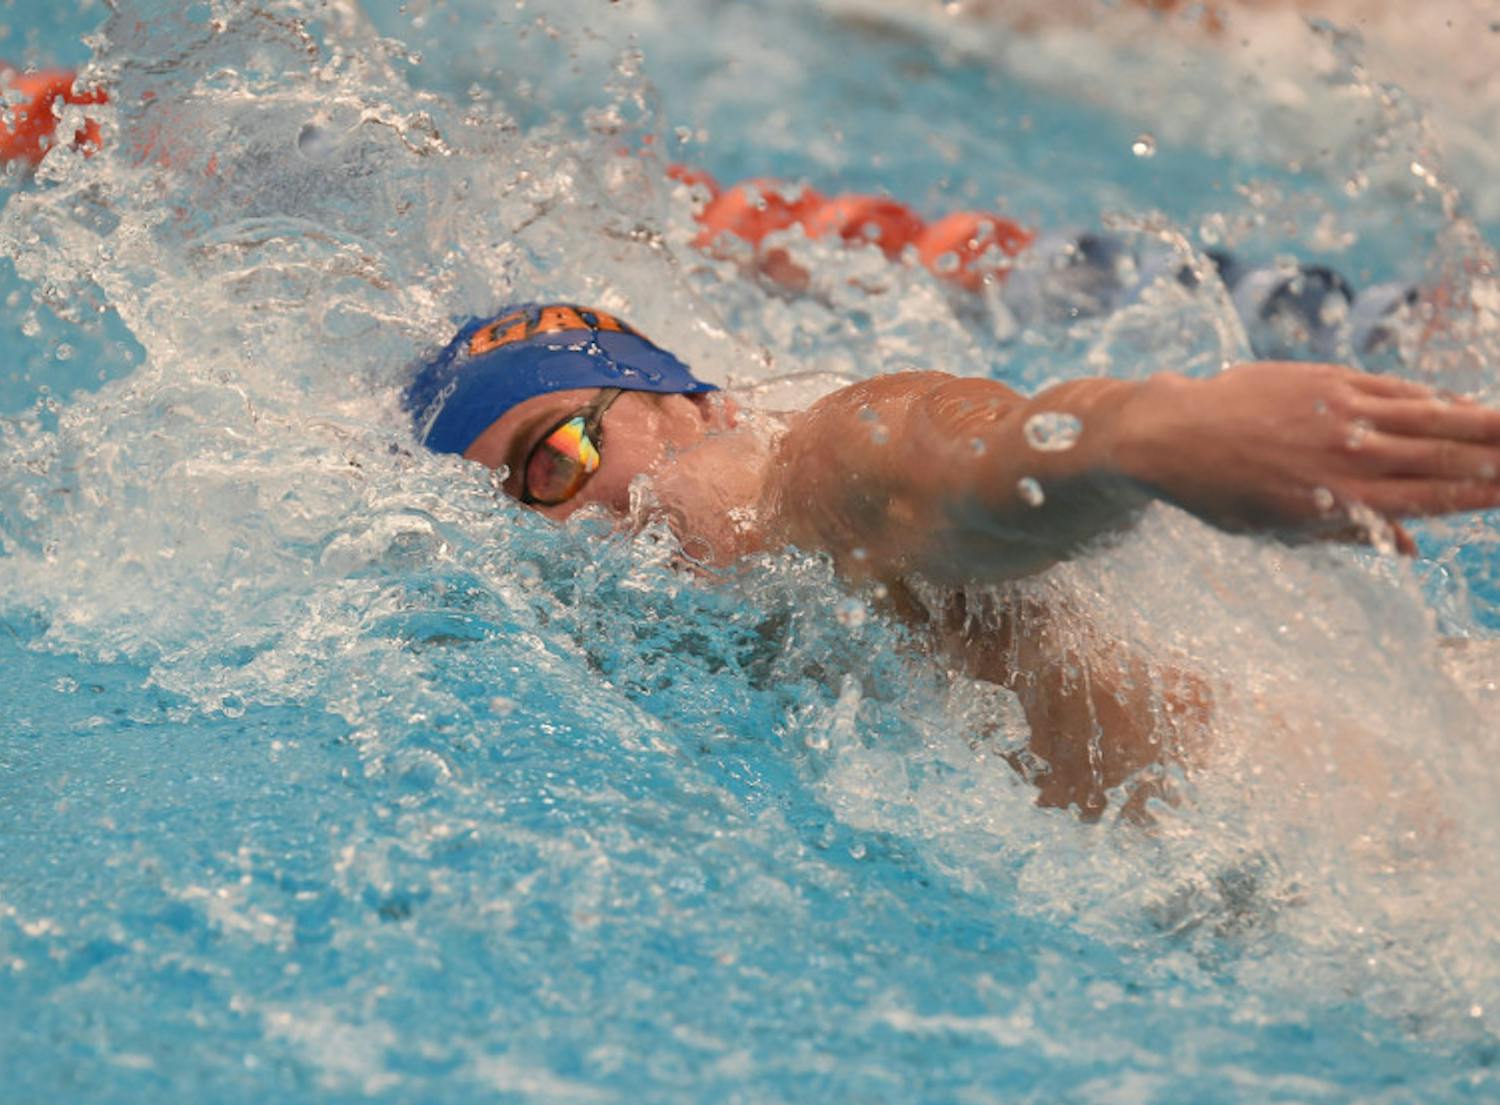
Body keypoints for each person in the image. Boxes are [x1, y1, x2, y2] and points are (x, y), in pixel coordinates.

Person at [405, 301, 1500, 819]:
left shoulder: (795, 472)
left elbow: (930, 455)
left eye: (557, 457)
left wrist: (1146, 437)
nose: (571, 524)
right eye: (518, 512)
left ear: (703, 405)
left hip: (1399, 814)